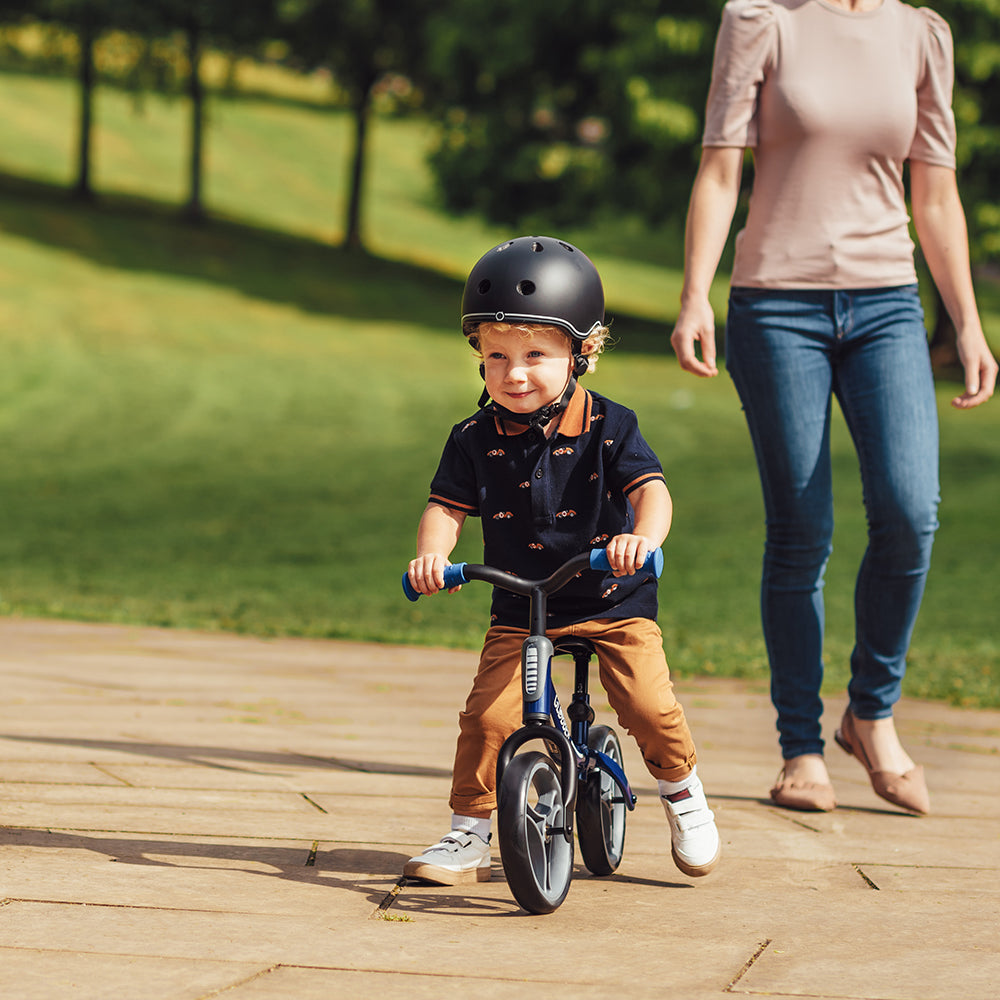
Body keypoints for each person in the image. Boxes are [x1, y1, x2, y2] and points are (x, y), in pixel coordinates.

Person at [671, 0, 997, 815]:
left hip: (887, 304)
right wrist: (694, 295)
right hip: (777, 306)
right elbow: (720, 170)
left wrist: (966, 322)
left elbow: (937, 196)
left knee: (909, 509)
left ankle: (872, 713)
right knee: (801, 531)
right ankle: (800, 747)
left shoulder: (922, 34)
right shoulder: (762, 21)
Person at [404, 235, 721, 885]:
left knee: (645, 704)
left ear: (582, 352)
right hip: (520, 603)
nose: (514, 373)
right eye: (496, 356)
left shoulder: (610, 425)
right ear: (478, 357)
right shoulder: (472, 438)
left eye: (535, 355)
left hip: (610, 598)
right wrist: (432, 556)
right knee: (488, 716)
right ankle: (469, 831)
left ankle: (683, 793)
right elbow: (446, 508)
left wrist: (643, 540)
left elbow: (650, 493)